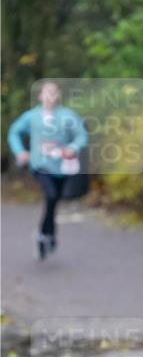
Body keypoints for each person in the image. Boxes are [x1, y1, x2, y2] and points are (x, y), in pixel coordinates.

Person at [7, 80, 88, 259]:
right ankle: (47, 235)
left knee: (53, 202)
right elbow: (14, 132)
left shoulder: (68, 115)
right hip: (39, 165)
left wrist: (73, 148)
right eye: (47, 93)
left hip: (61, 167)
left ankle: (45, 233)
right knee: (50, 196)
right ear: (40, 96)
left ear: (58, 95)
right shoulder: (31, 117)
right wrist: (20, 152)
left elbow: (81, 135)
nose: (51, 96)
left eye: (54, 92)